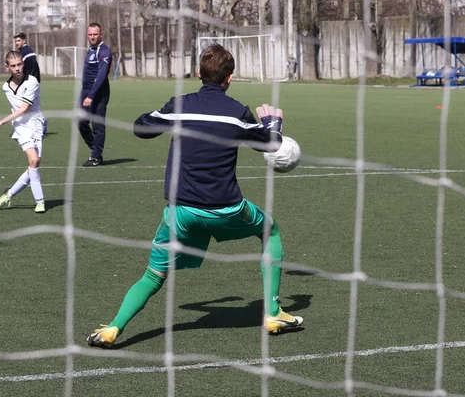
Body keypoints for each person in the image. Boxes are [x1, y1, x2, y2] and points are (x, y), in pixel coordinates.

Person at [87, 44, 303, 348]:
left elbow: (140, 128)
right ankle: (272, 313)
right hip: (227, 209)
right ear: (230, 79)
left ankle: (113, 327)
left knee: (153, 276)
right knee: (270, 229)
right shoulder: (237, 112)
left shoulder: (180, 105)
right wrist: (273, 125)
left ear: (198, 73)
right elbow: (271, 144)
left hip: (182, 213)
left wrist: (159, 115)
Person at [0, 51, 46, 214]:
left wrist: (0, 122)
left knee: (34, 164)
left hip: (36, 123)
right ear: (7, 67)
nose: (17, 68)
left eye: (19, 64)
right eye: (13, 66)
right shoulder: (6, 87)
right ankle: (40, 202)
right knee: (33, 160)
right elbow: (20, 112)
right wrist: (4, 122)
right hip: (21, 127)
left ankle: (9, 194)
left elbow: (24, 108)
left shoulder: (32, 81)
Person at [77, 22, 112, 167]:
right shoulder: (91, 49)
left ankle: (95, 157)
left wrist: (90, 96)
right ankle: (95, 151)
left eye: (95, 34)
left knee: (98, 126)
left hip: (98, 92)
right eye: (90, 34)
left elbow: (101, 75)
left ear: (101, 34)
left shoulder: (104, 51)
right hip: (86, 91)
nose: (92, 37)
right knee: (81, 122)